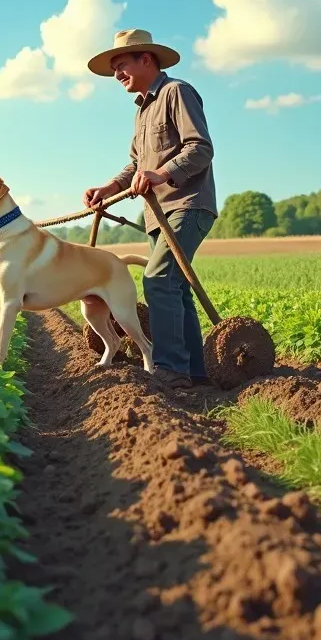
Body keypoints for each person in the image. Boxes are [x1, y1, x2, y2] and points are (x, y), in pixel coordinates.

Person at [82, 28, 218, 390]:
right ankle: (196, 372)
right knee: (176, 288)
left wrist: (161, 174)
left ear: (147, 60)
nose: (116, 74)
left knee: (158, 278)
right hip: (158, 215)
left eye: (121, 64)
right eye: (113, 69)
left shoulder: (177, 92)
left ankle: (170, 367)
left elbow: (200, 148)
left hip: (188, 204)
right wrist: (110, 187)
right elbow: (135, 164)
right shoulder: (141, 111)